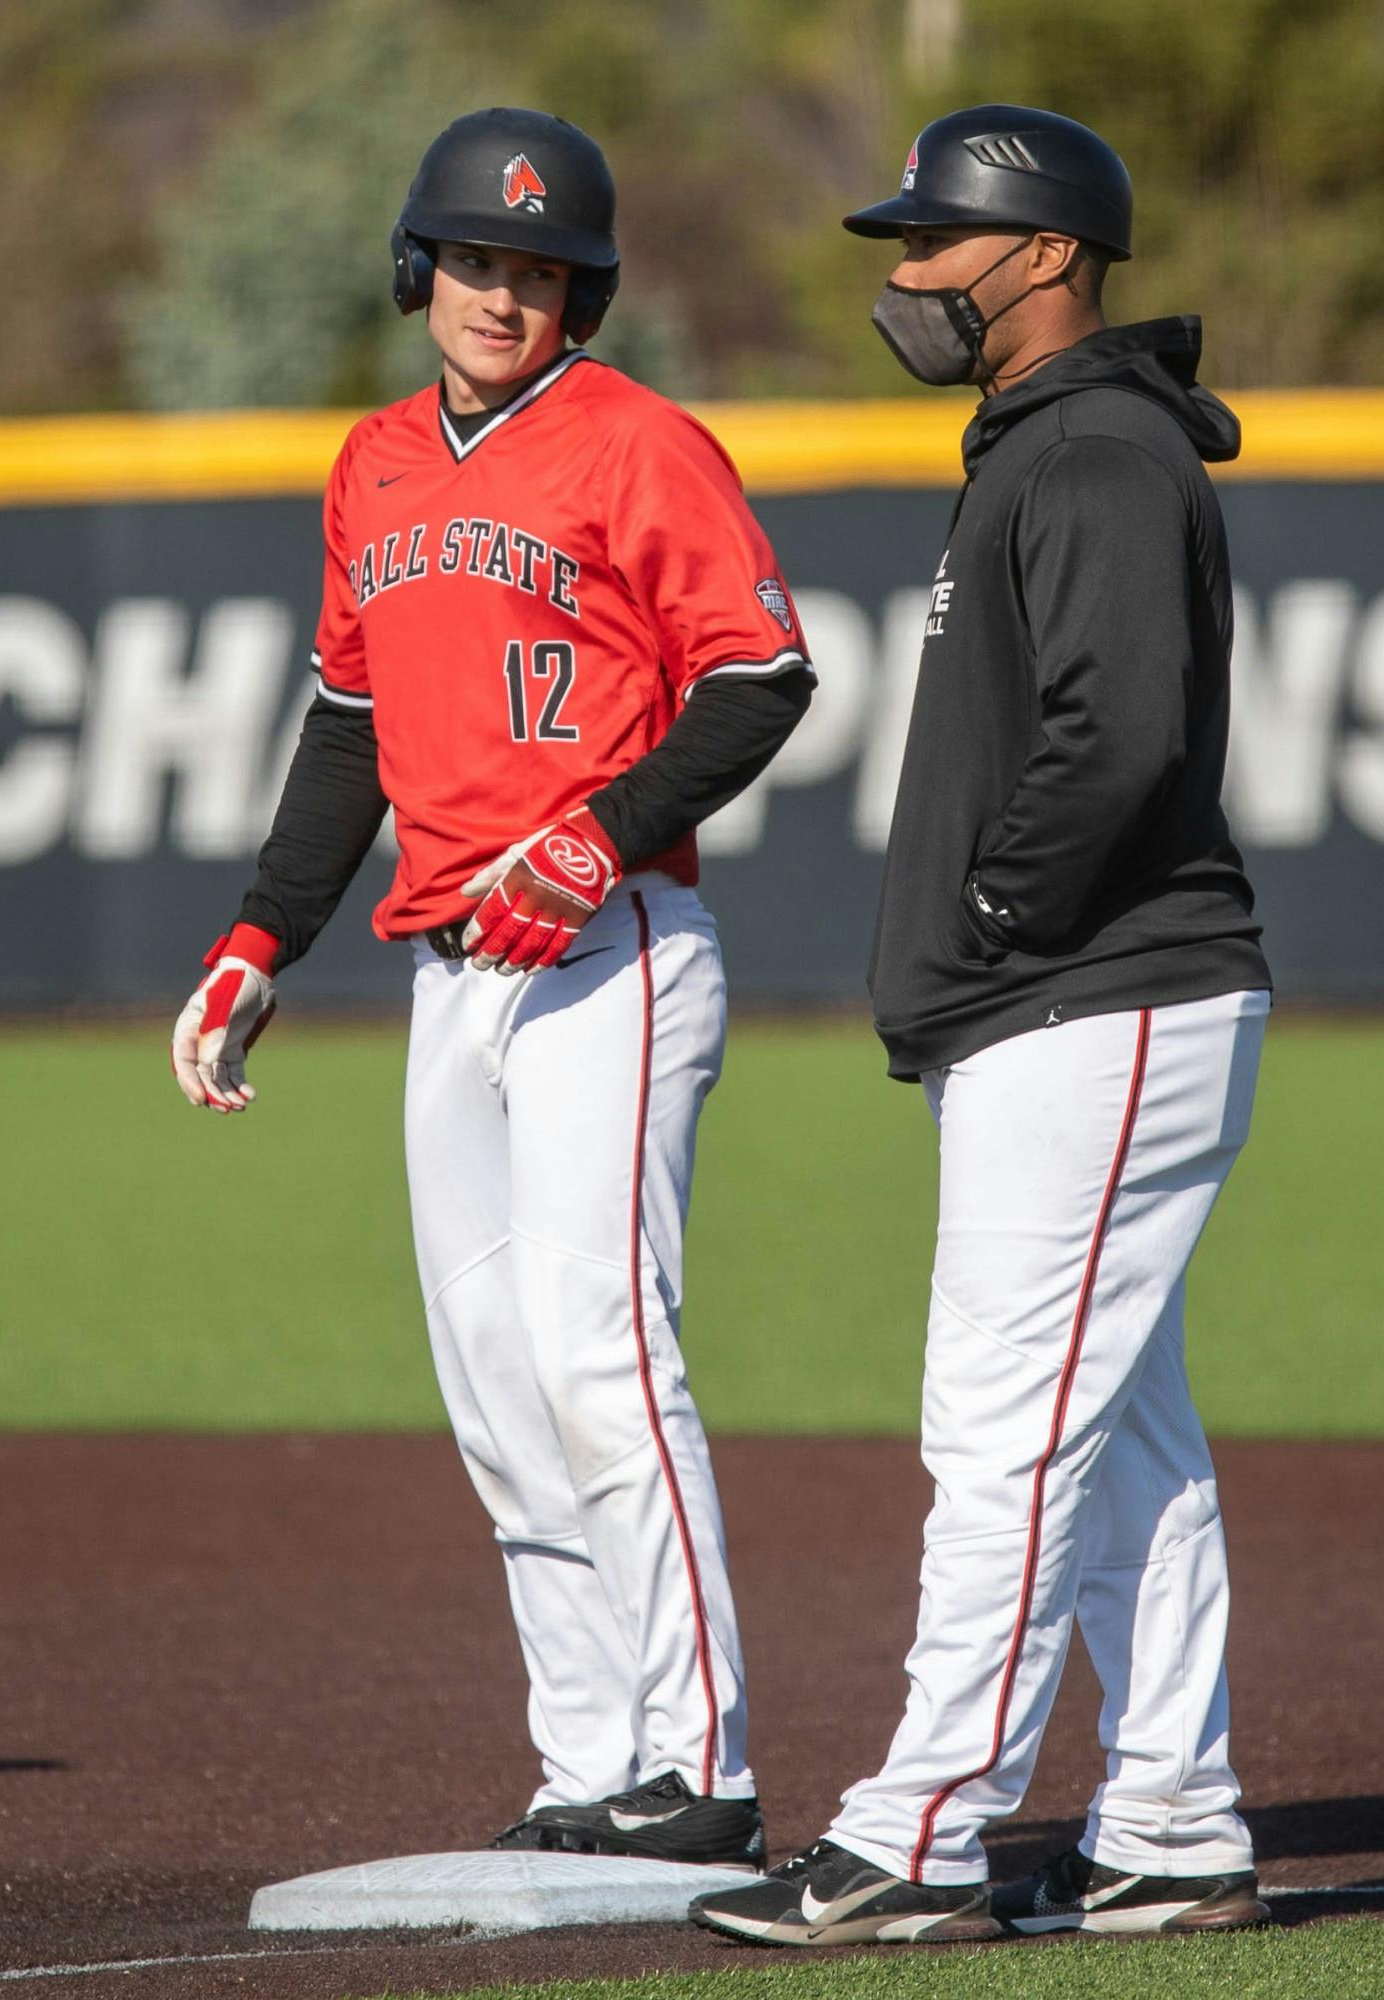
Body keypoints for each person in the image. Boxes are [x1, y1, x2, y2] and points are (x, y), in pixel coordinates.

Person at [171, 106, 813, 1869]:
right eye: (473, 259)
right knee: (494, 1384)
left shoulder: (638, 443)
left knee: (602, 1356)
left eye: (537, 268)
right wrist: (257, 937)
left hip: (606, 954)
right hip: (448, 974)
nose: (500, 292)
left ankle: (702, 1763)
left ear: (579, 292)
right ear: (420, 269)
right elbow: (350, 724)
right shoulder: (372, 461)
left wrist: (600, 839)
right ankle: (589, 1757)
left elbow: (760, 676)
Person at [691, 103, 1273, 1946]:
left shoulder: (1094, 453)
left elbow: (1119, 740)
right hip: (1088, 1004)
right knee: (1124, 1439)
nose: (905, 274)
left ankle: (924, 1832)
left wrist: (997, 920)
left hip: (1093, 1000)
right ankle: (1173, 1820)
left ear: (1041, 254)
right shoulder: (1052, 442)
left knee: (1004, 1433)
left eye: (935, 242)